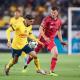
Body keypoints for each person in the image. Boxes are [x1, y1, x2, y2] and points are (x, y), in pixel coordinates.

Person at [23, 6, 67, 76]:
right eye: (52, 12)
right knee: (33, 55)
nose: (53, 14)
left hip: (50, 40)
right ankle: (26, 64)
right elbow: (40, 29)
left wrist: (61, 41)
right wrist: (45, 37)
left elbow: (59, 31)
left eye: (54, 13)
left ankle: (51, 71)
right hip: (41, 39)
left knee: (55, 53)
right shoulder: (46, 19)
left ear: (57, 12)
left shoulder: (59, 21)